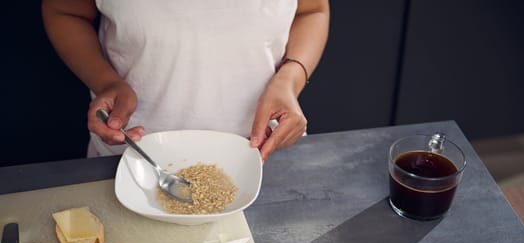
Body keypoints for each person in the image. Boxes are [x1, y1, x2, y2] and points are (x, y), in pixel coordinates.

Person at [41, 0, 330, 162]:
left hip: (267, 156)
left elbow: (312, 10)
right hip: (133, 161)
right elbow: (65, 11)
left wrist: (290, 79)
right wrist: (105, 82)